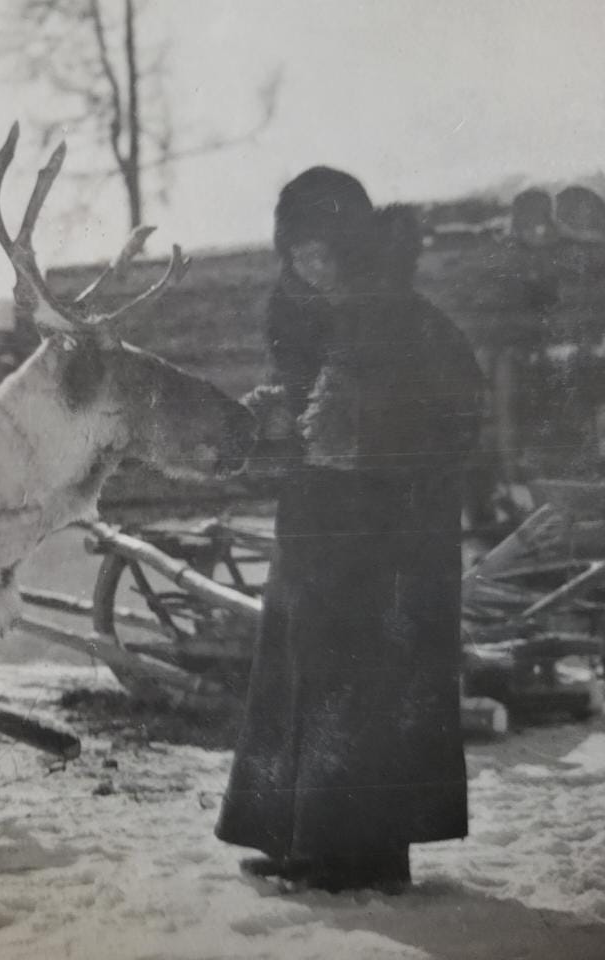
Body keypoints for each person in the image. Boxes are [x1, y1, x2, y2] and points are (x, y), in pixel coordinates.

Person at [215, 167, 486, 893]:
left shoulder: (412, 320)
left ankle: (360, 855)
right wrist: (278, 421)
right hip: (315, 535)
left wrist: (366, 437)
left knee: (363, 691)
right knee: (301, 680)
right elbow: (312, 425)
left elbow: (461, 420)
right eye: (298, 251)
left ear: (356, 245)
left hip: (388, 545)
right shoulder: (304, 323)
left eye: (324, 249)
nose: (310, 264)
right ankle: (297, 836)